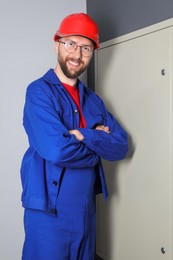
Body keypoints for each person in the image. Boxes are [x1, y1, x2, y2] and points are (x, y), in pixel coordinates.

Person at [20, 13, 128, 260]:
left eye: (86, 48)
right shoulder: (38, 92)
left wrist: (83, 135)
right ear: (57, 43)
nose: (77, 55)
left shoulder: (94, 100)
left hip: (85, 210)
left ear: (92, 52)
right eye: (71, 44)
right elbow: (56, 150)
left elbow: (121, 146)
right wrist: (97, 146)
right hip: (48, 211)